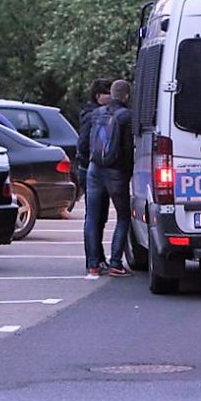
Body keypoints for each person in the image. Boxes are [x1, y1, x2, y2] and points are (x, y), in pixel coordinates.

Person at [82, 79, 134, 278]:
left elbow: (87, 141)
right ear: (127, 96)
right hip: (116, 171)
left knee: (92, 217)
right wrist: (128, 172)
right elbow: (128, 148)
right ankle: (115, 263)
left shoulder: (97, 113)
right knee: (123, 216)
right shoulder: (126, 116)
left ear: (112, 95)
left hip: (94, 169)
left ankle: (93, 265)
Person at [77, 78, 112, 275]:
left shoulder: (91, 114)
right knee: (94, 217)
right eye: (108, 93)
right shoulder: (93, 116)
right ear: (99, 96)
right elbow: (83, 143)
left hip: (88, 167)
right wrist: (88, 160)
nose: (111, 96)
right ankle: (94, 260)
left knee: (98, 217)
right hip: (91, 169)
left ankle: (96, 258)